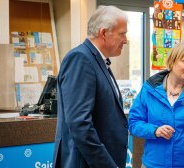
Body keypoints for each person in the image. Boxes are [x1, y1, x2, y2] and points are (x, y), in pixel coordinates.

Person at [53, 6, 128, 168]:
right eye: (122, 34)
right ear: (103, 33)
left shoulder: (98, 61)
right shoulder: (81, 59)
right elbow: (80, 124)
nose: (126, 40)